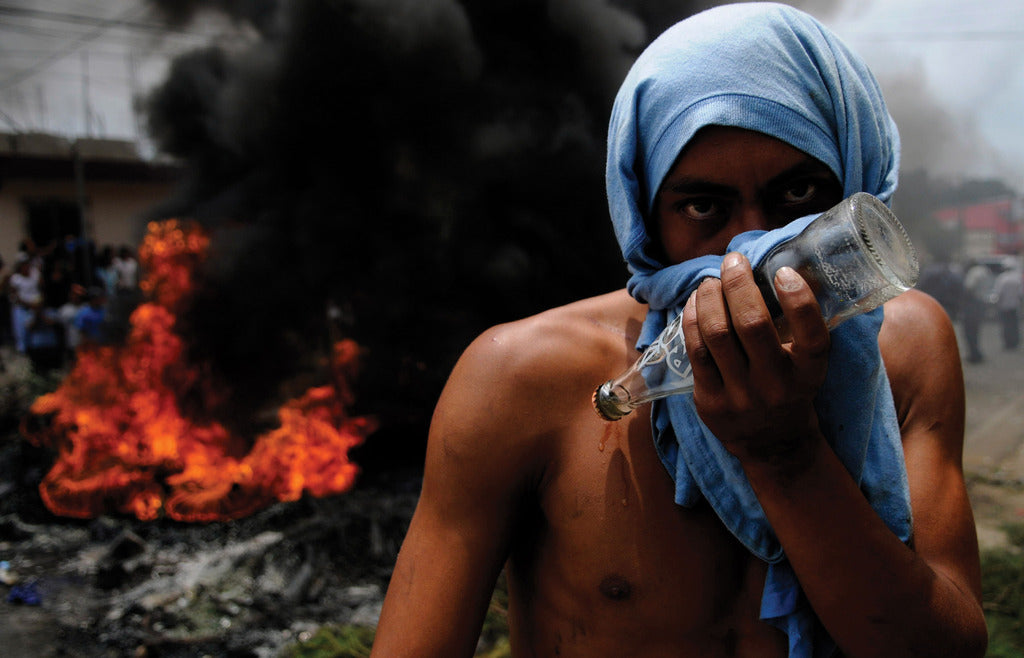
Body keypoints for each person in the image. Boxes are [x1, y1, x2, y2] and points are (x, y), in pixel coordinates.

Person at [371, 4, 986, 657]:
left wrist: (788, 457)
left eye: (799, 197)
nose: (746, 254)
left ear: (855, 184)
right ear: (646, 215)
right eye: (702, 206)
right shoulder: (521, 376)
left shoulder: (910, 345)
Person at [962, 260, 994, 363]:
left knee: (969, 331)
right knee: (976, 330)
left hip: (973, 303)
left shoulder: (974, 272)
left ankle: (973, 355)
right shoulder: (985, 271)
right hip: (982, 302)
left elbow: (969, 287)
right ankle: (977, 353)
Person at [993, 264, 1023, 350]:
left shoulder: (1002, 278)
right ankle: (1015, 342)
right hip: (1014, 305)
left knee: (1006, 325)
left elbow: (998, 293)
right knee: (1014, 325)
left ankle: (1008, 343)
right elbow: (1020, 294)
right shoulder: (1017, 278)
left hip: (1004, 306)